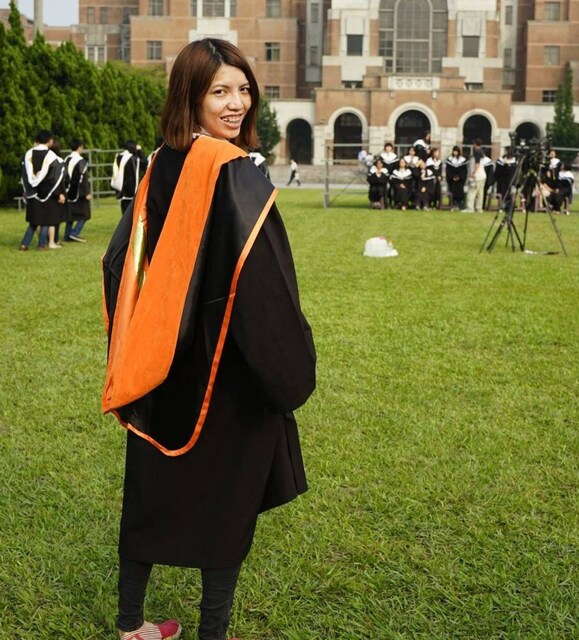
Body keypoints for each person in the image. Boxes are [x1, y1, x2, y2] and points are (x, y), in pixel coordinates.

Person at [101, 38, 316, 640]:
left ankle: (130, 626)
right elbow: (262, 286)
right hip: (226, 371)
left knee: (149, 493)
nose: (236, 103)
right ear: (190, 97)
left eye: (243, 89)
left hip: (161, 363)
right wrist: (288, 365)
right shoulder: (231, 169)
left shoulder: (160, 163)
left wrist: (146, 339)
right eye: (219, 91)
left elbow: (120, 262)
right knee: (225, 504)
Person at [19, 130, 66, 251]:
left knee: (33, 221)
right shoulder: (51, 156)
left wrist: (28, 190)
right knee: (46, 220)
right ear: (50, 141)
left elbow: (24, 175)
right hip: (47, 193)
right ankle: (41, 245)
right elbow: (56, 175)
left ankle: (24, 244)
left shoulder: (28, 153)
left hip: (32, 192)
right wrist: (54, 192)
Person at [63, 138, 92, 243]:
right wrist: (87, 192)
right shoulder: (81, 161)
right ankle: (74, 233)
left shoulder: (66, 159)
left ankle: (67, 235)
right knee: (85, 214)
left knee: (70, 214)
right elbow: (83, 178)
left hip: (67, 190)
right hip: (79, 191)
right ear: (80, 147)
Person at [111, 140, 148, 214]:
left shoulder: (119, 157)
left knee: (125, 215)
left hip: (122, 192)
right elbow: (144, 162)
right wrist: (139, 151)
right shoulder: (132, 159)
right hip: (131, 193)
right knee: (132, 216)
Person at [463, 140, 487, 213]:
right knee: (480, 193)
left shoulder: (477, 152)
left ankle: (470, 208)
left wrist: (474, 173)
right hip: (482, 175)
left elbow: (477, 163)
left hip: (477, 176)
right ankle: (479, 208)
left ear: (475, 144)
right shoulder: (481, 152)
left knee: (471, 192)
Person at [445, 145, 467, 211]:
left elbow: (464, 171)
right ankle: (452, 204)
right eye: (454, 151)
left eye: (456, 151)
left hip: (460, 181)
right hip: (452, 181)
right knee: (452, 192)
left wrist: (459, 177)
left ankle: (459, 205)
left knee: (460, 192)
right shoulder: (450, 160)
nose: (455, 152)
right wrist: (452, 177)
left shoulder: (462, 160)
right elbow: (448, 170)